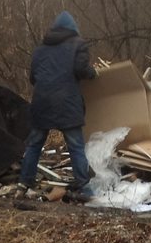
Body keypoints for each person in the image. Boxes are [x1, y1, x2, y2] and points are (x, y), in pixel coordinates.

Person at [20, 11, 97, 199]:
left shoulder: (40, 50)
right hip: (66, 103)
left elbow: (32, 78)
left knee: (34, 145)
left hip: (42, 103)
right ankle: (84, 188)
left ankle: (24, 183)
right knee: (76, 146)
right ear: (73, 29)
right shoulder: (78, 45)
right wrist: (92, 73)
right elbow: (80, 69)